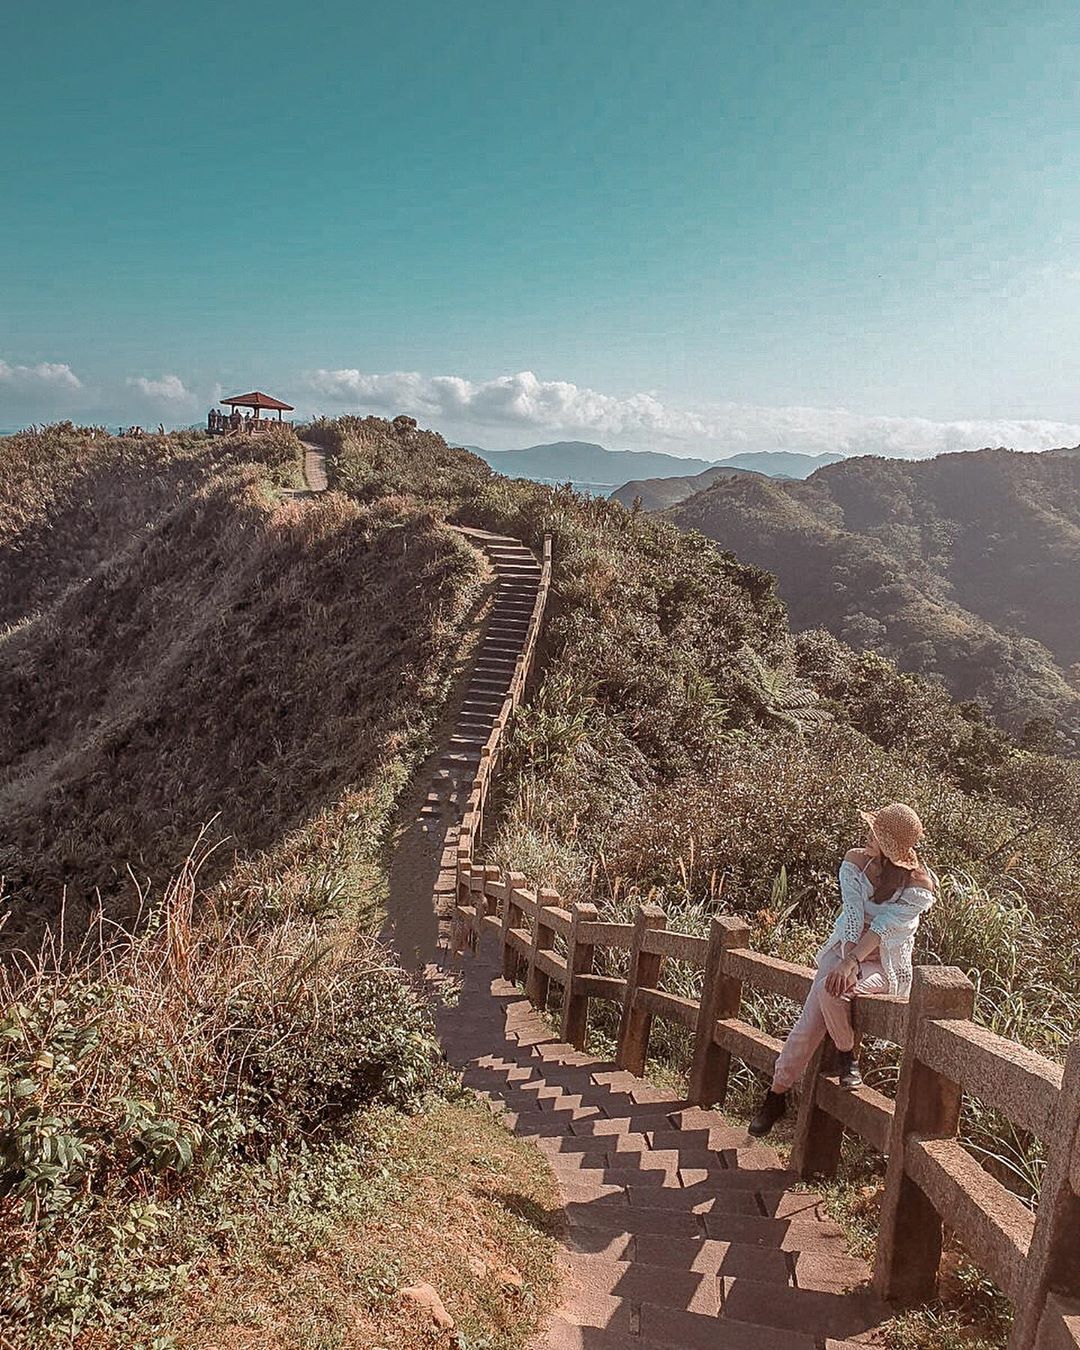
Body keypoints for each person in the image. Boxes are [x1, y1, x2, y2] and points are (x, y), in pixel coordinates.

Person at [748, 802, 937, 1137]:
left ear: (889, 845)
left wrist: (853, 965)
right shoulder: (855, 862)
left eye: (875, 834)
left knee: (829, 990)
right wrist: (846, 959)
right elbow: (852, 913)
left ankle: (841, 1057)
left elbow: (884, 929)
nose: (867, 836)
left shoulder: (918, 886)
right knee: (807, 1025)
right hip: (845, 949)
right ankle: (781, 1092)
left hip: (883, 962)